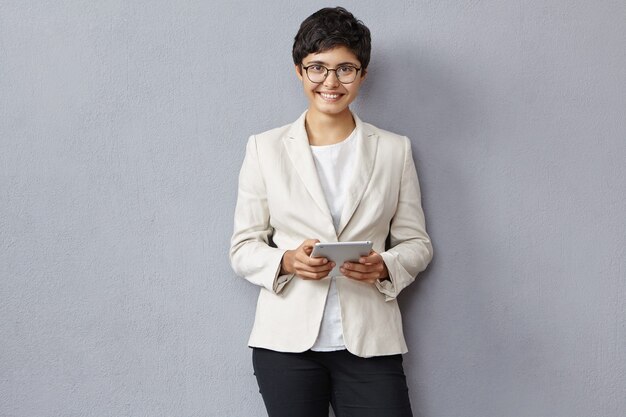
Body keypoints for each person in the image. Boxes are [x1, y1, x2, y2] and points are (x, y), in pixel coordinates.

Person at [229, 7, 433, 417]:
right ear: (299, 71)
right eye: (317, 68)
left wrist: (385, 266)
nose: (331, 82)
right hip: (286, 345)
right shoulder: (264, 148)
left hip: (371, 342)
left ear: (362, 74)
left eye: (345, 69)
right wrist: (286, 260)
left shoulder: (394, 150)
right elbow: (243, 247)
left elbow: (417, 243)